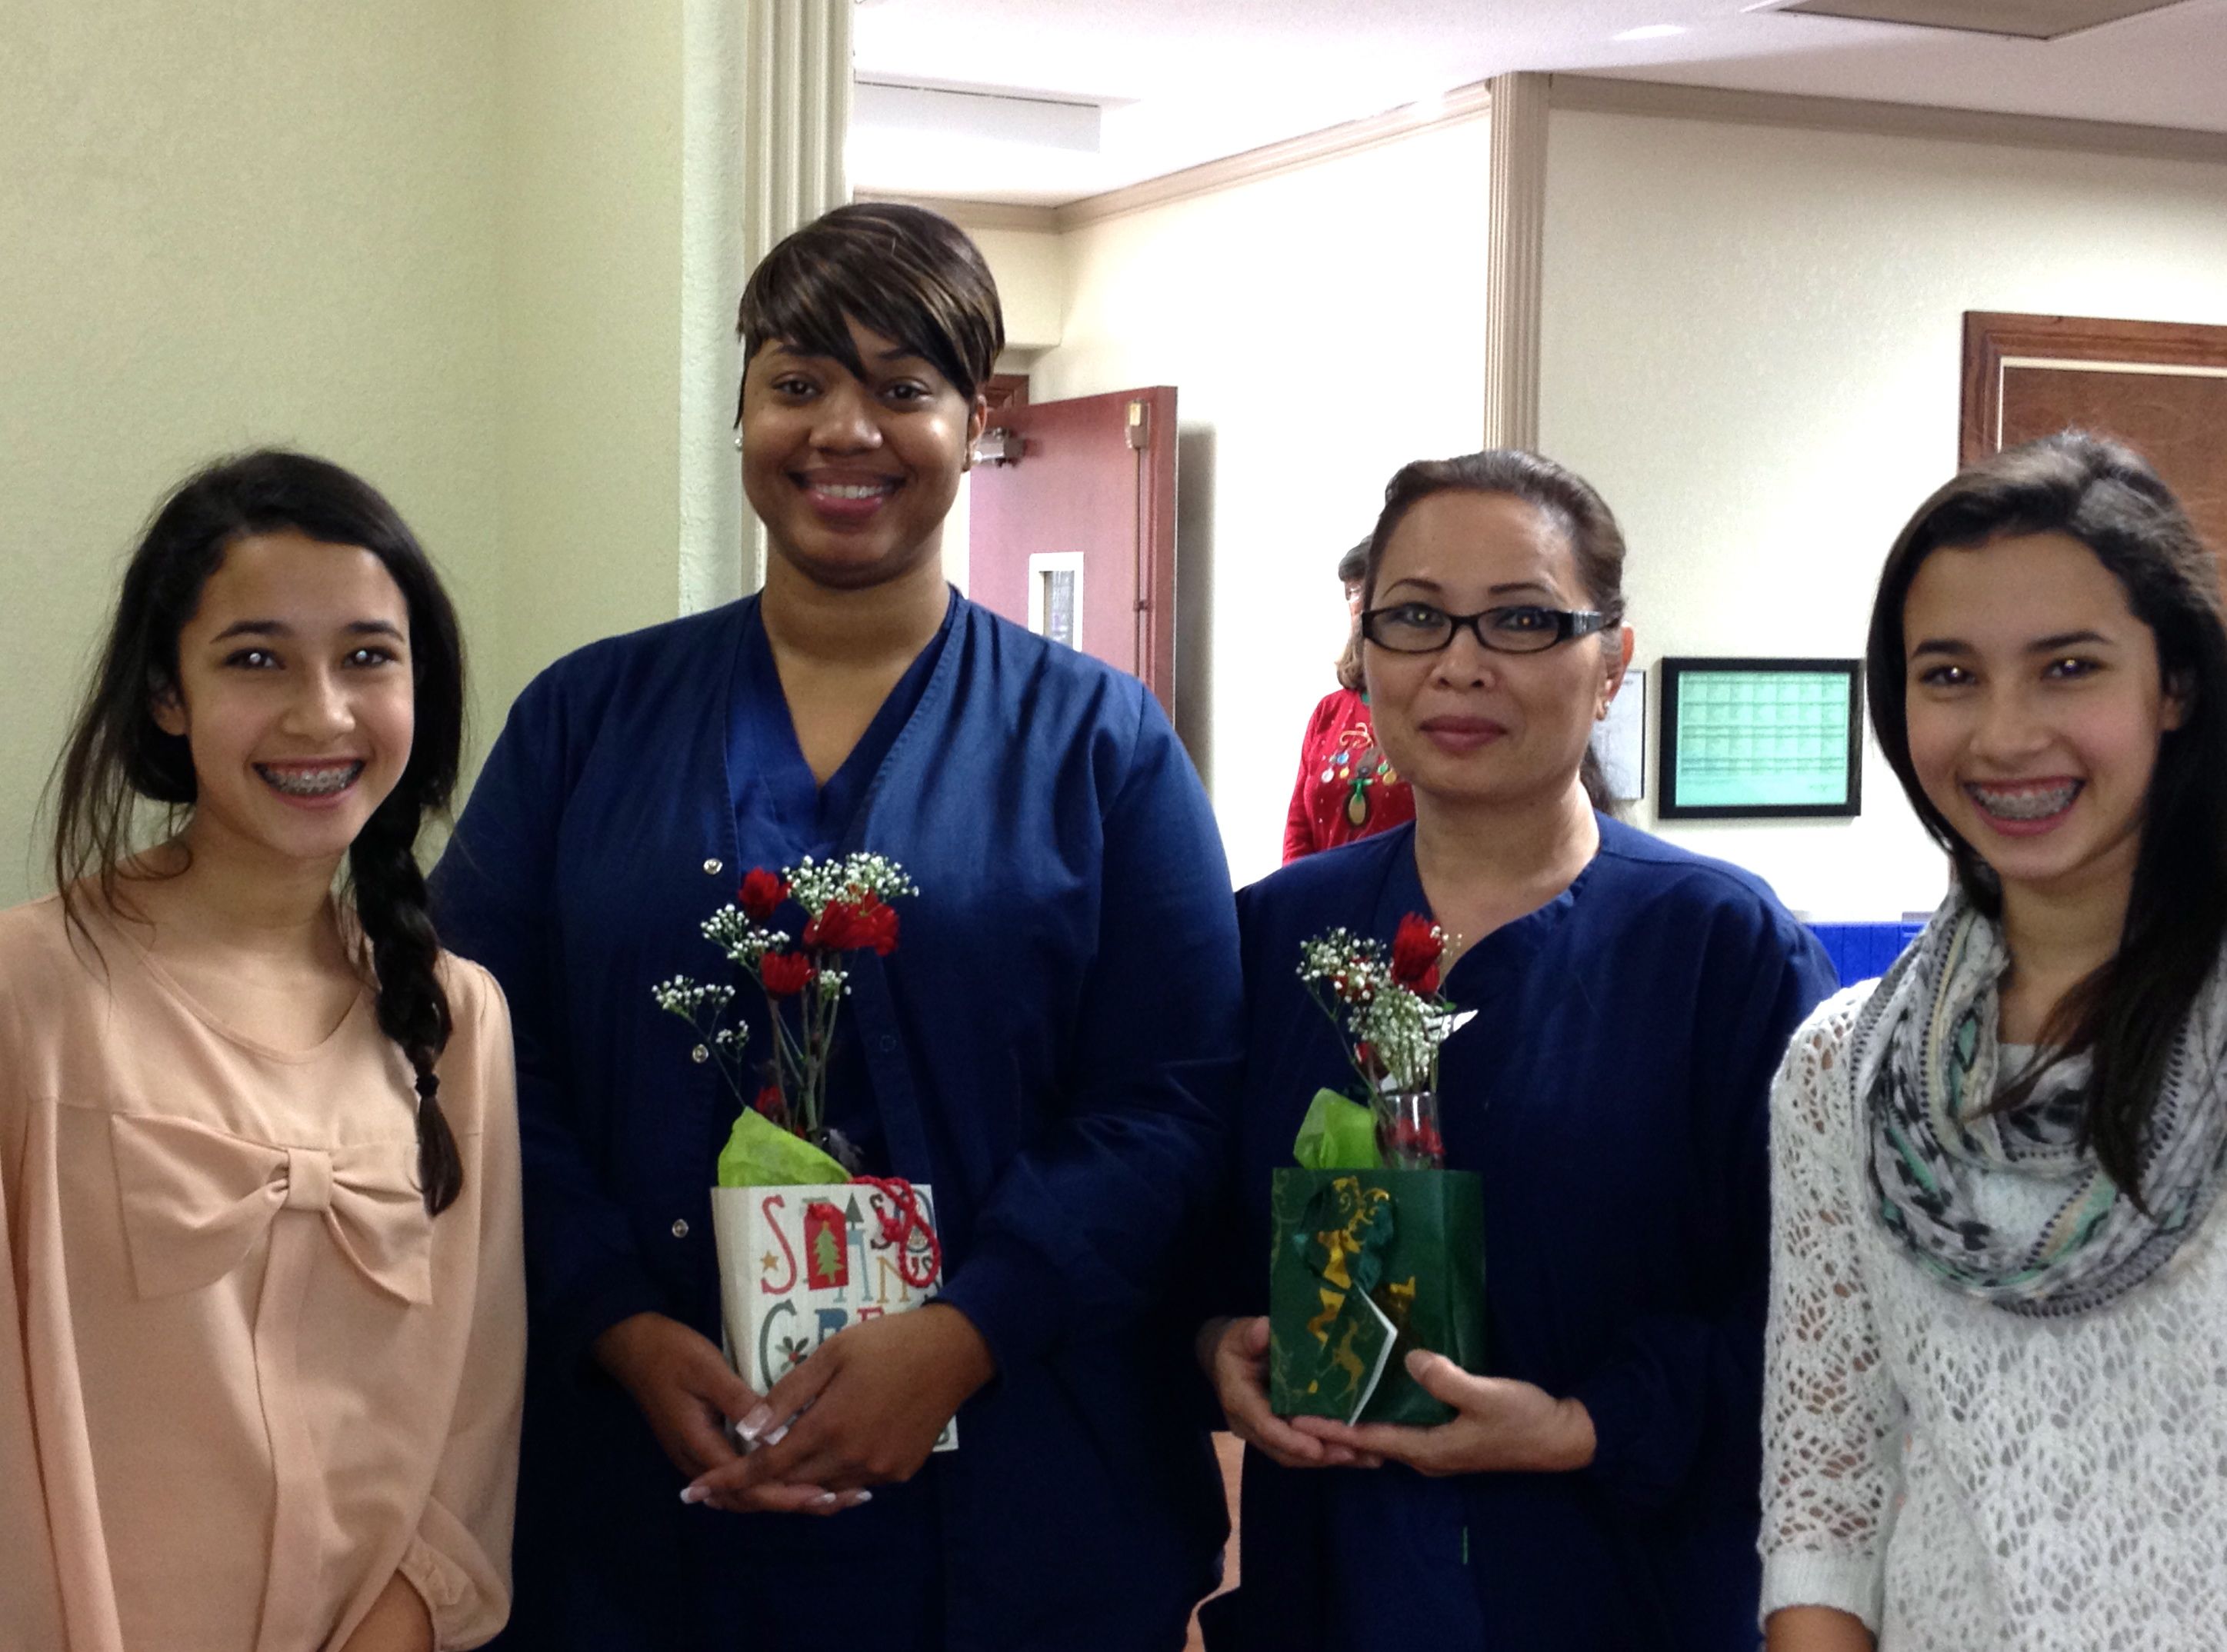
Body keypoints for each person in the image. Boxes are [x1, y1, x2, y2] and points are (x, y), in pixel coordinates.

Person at [430, 202, 1241, 1650]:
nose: (844, 430)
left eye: (902, 387)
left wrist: (968, 1331)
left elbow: (1170, 1094)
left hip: (1014, 1468)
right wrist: (614, 1318)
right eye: (798, 383)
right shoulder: (585, 720)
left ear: (975, 421)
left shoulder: (1098, 742)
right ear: (742, 413)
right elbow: (475, 1052)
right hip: (638, 1460)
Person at [1201, 449, 1835, 1650]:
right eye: (1414, 618)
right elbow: (1185, 1237)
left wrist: (1581, 1425)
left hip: (1619, 1588)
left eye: (1521, 620)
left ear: (1610, 664)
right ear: (1363, 652)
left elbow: (1816, 1315)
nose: (1458, 663)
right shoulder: (1269, 934)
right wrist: (1210, 1349)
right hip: (1333, 1583)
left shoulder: (1718, 948)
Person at [0, 451, 524, 1651]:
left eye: (368, 658)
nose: (321, 714)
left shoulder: (458, 1019)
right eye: (255, 660)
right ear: (166, 693)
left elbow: (476, 1414)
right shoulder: (31, 991)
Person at [1760, 434, 2227, 1651]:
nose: (2004, 735)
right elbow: (1823, 1495)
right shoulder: (1843, 1072)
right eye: (1949, 675)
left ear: (2172, 685)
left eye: (2066, 667)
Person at [1283, 540, 1415, 861]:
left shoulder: (1430, 709)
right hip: (1324, 888)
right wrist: (1299, 886)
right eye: (1352, 592)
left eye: (1369, 589)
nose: (1359, 604)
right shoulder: (1328, 712)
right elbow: (1298, 829)